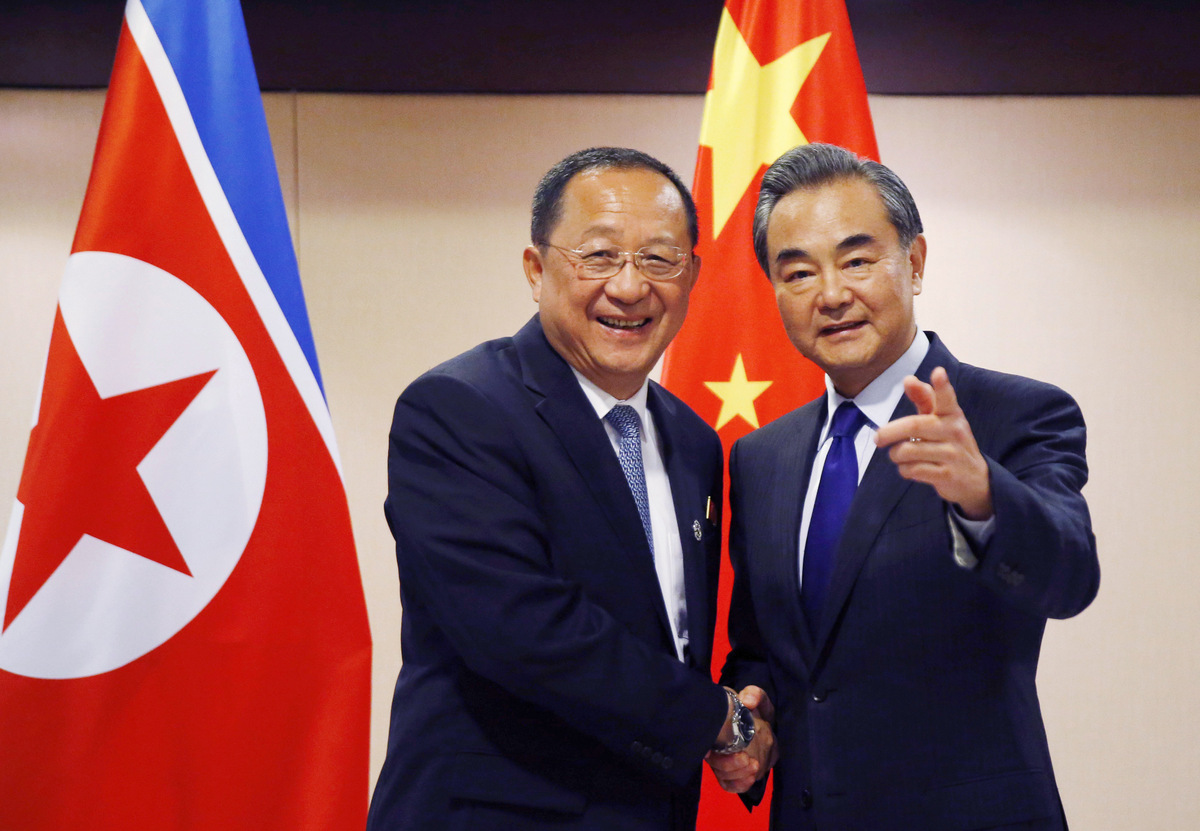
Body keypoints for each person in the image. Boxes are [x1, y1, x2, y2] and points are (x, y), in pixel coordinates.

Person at [366, 147, 774, 831]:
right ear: (536, 268)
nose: (629, 286)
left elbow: (669, 633)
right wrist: (715, 718)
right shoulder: (457, 409)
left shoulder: (695, 441)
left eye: (658, 259)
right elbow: (523, 630)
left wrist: (755, 705)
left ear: (692, 275)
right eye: (599, 256)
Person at [711, 143, 1099, 830]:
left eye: (857, 260)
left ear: (914, 263)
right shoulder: (760, 456)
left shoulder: (1015, 414)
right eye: (797, 272)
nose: (831, 294)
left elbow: (1068, 576)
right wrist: (756, 703)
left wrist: (981, 496)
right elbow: (765, 646)